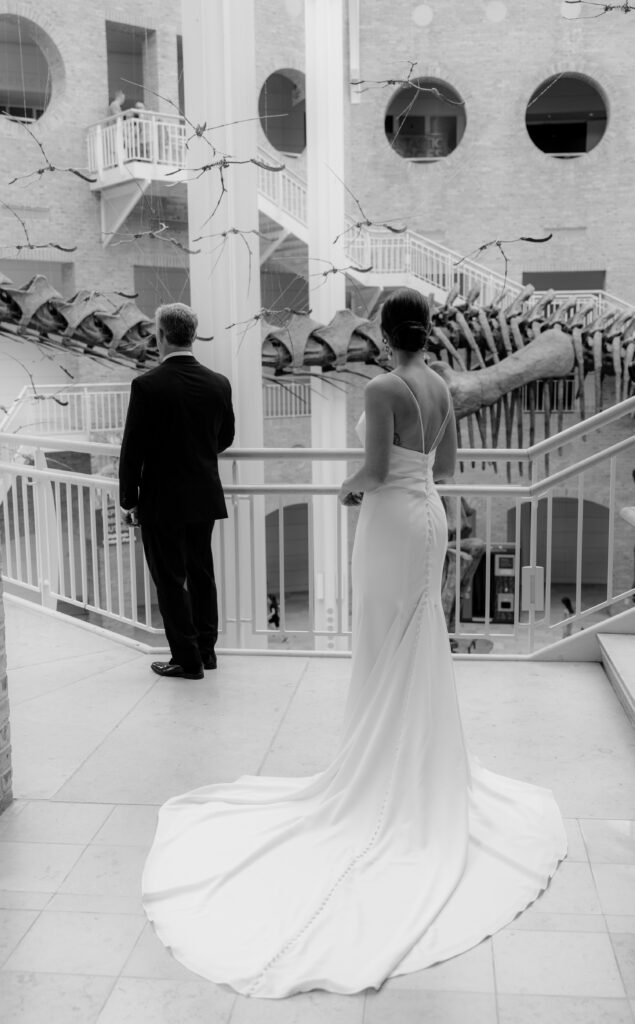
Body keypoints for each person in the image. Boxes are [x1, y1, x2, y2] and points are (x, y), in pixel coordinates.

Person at [141, 288, 566, 998]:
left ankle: (378, 766)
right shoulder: (436, 384)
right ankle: (419, 763)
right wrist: (404, 474)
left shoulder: (384, 385)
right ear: (425, 332)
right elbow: (449, 467)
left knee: (379, 637)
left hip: (390, 520)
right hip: (428, 512)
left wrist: (345, 490)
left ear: (383, 332)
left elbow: (370, 471)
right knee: (418, 633)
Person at [119, 302, 235, 679]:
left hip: (161, 500)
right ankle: (207, 651)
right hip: (203, 495)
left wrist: (128, 500)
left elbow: (131, 449)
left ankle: (187, 659)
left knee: (170, 580)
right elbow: (226, 436)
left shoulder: (147, 385)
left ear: (161, 335)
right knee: (202, 574)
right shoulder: (219, 382)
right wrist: (197, 453)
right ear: (192, 335)